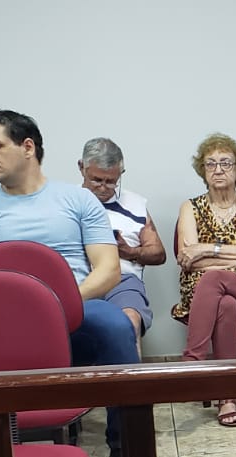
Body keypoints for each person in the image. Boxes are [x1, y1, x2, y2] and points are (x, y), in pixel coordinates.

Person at [0, 110, 135, 457]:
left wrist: (56, 305)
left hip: (76, 306)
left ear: (27, 147)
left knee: (118, 327)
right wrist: (26, 310)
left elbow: (108, 270)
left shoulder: (79, 199)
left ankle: (127, 450)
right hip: (6, 314)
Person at [172, 133, 236, 428]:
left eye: (225, 163)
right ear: (202, 171)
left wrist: (207, 249)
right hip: (201, 284)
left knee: (215, 277)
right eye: (210, 164)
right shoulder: (190, 207)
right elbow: (187, 258)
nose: (218, 169)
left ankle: (193, 362)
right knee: (225, 304)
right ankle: (228, 397)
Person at [78, 137, 163, 355]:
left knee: (129, 320)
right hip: (78, 279)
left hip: (121, 280)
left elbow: (158, 253)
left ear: (120, 174)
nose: (103, 188)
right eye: (96, 180)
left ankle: (129, 376)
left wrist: (130, 252)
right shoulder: (67, 201)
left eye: (111, 181)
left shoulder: (135, 204)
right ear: (81, 168)